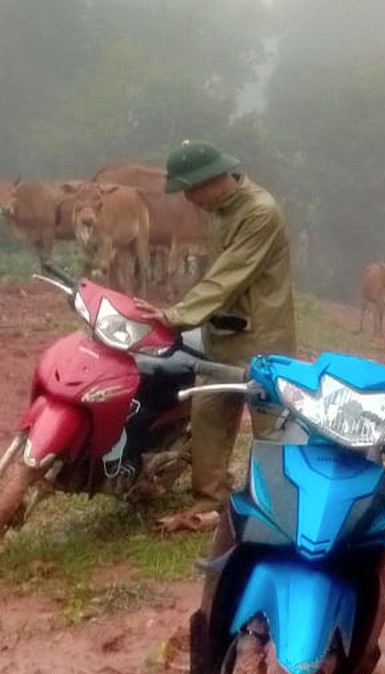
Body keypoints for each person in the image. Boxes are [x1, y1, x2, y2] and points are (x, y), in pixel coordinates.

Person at [136, 140, 297, 532]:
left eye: (192, 189)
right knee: (209, 417)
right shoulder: (215, 211)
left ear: (214, 179)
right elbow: (215, 274)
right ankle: (210, 504)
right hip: (219, 333)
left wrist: (178, 315)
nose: (189, 199)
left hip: (261, 336)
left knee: (270, 426)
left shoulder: (261, 212)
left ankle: (279, 510)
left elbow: (231, 272)